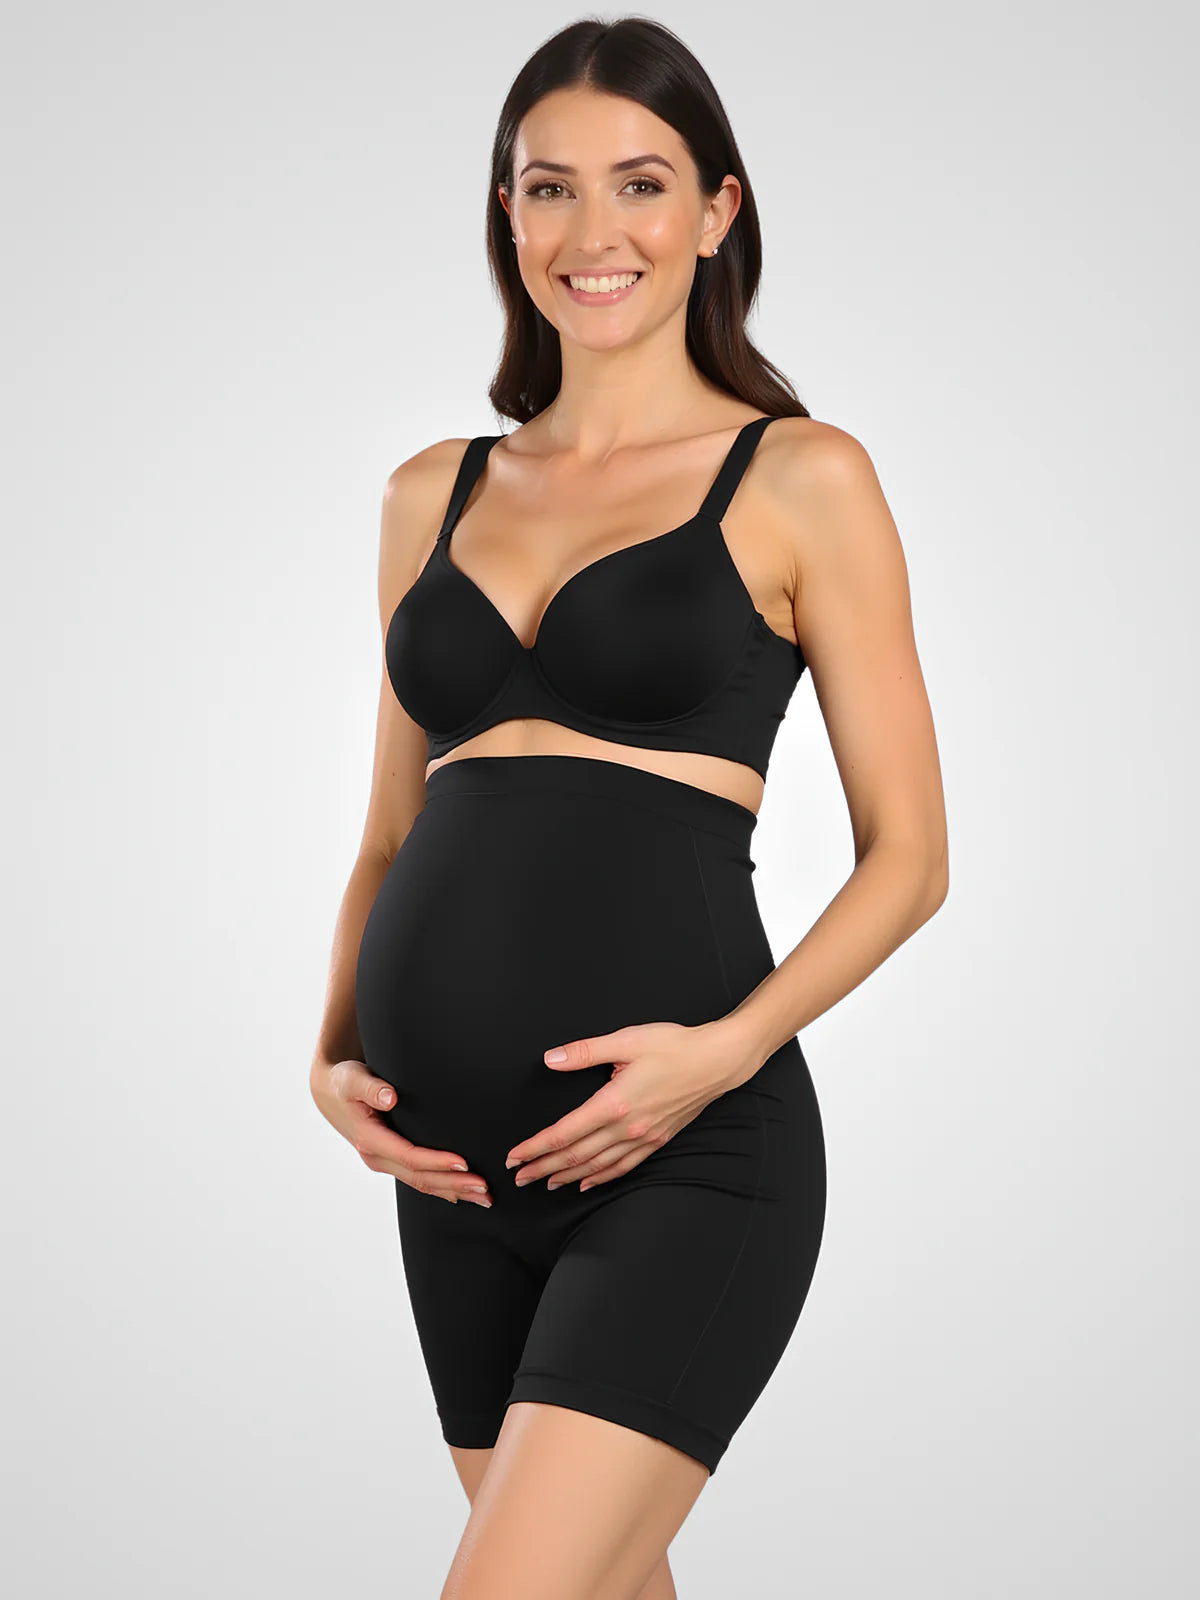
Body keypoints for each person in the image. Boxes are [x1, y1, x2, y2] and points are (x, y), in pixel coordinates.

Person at [310, 16, 948, 1599]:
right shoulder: (430, 493)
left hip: (689, 1155)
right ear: (507, 214)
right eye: (550, 189)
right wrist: (333, 1052)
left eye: (641, 185)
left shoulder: (801, 477)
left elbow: (912, 859)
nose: (593, 232)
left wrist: (723, 1055)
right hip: (456, 1181)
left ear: (718, 212)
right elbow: (389, 834)